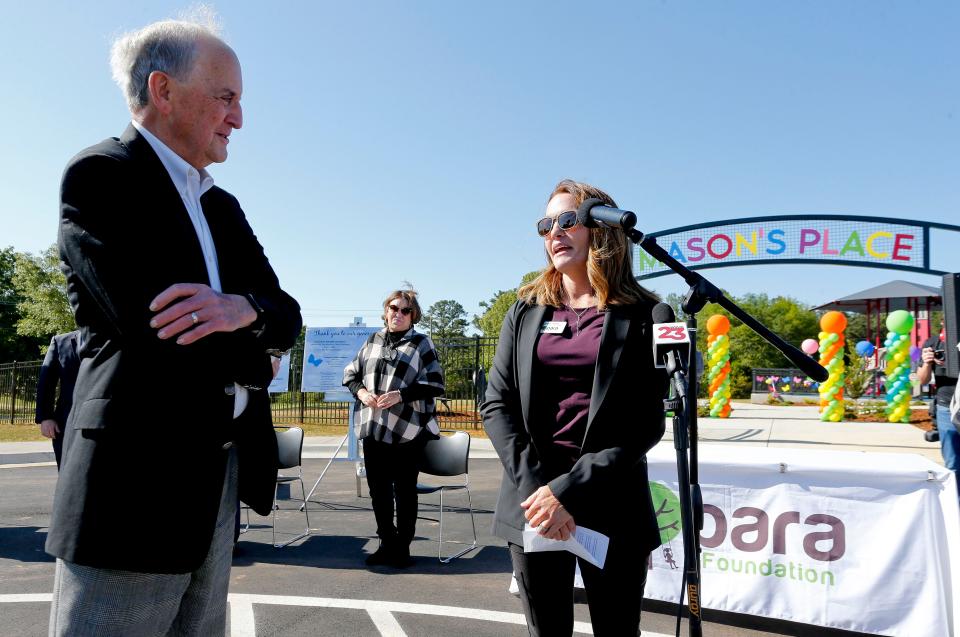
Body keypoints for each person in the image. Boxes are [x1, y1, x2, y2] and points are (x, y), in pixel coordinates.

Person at [48, 14, 302, 636]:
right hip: (133, 489)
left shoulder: (221, 204)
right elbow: (160, 332)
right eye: (226, 97)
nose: (238, 118)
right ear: (163, 90)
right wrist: (255, 345)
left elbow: (285, 311)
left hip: (217, 477)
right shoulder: (102, 177)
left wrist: (243, 311)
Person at [482, 179, 669, 636]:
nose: (555, 232)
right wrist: (541, 494)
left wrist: (567, 491)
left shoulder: (647, 314)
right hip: (533, 504)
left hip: (611, 503)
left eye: (568, 220)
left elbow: (646, 422)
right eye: (546, 224)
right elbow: (495, 404)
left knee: (617, 630)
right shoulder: (524, 311)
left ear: (600, 229)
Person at [343, 288, 444, 568]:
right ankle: (386, 543)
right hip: (373, 427)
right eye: (393, 308)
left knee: (404, 490)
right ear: (385, 310)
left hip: (406, 430)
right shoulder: (372, 340)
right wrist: (362, 393)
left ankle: (402, 548)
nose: (397, 314)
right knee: (379, 491)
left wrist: (401, 395)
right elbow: (350, 374)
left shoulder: (422, 344)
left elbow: (436, 383)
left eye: (405, 310)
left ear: (414, 316)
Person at [35, 330, 81, 469]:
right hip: (67, 425)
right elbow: (46, 382)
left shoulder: (116, 339)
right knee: (69, 477)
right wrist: (45, 417)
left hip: (106, 422)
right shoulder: (60, 342)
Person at [918, 325, 958, 470]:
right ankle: (955, 492)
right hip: (945, 407)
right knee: (952, 463)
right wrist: (927, 363)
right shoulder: (933, 343)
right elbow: (923, 380)